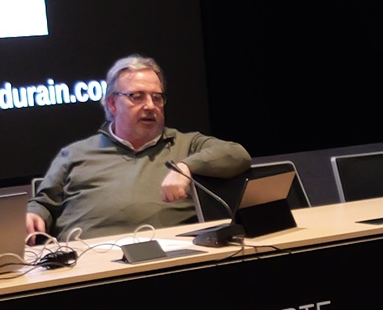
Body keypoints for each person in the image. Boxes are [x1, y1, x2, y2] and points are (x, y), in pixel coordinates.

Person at [26, 56, 251, 241]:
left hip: (170, 261)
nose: (150, 106)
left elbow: (237, 155)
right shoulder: (74, 154)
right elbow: (43, 204)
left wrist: (185, 166)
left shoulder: (187, 145)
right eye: (137, 97)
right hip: (87, 264)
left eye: (157, 98)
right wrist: (34, 214)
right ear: (112, 104)